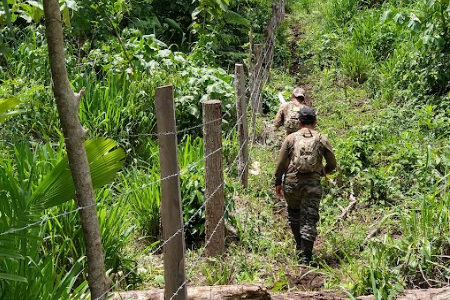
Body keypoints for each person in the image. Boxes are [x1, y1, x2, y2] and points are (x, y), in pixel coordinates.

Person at [274, 107, 336, 264]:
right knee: (309, 218)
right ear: (315, 122)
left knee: (294, 213)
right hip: (312, 185)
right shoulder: (322, 139)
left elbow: (281, 163)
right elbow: (332, 164)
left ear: (299, 122)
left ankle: (299, 246)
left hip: (291, 183)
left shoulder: (290, 139)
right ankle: (306, 258)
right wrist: (321, 173)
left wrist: (278, 182)